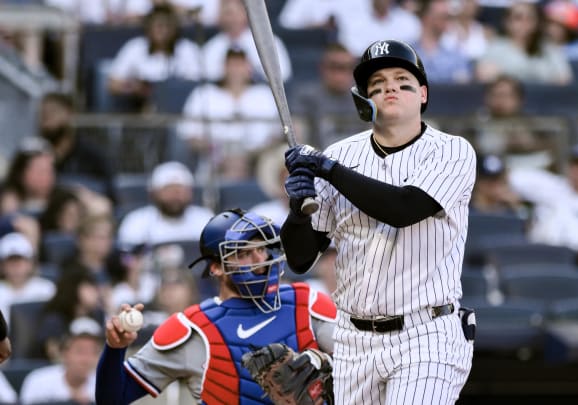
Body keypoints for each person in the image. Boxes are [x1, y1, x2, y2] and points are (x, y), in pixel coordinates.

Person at [280, 39, 475, 404]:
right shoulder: (341, 155)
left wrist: (326, 169)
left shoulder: (452, 150)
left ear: (423, 94)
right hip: (353, 339)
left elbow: (403, 208)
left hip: (426, 332)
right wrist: (297, 206)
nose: (390, 87)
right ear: (364, 100)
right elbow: (301, 257)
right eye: (378, 83)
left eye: (403, 81)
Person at [94, 209, 337, 404]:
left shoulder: (307, 303)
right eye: (243, 253)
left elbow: (363, 365)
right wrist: (115, 349)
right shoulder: (192, 328)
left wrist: (325, 367)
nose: (259, 261)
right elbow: (113, 398)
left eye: (261, 249)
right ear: (216, 268)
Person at [177, 47, 281, 181]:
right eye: (231, 64)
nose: (236, 70)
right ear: (223, 67)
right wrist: (215, 150)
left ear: (249, 68)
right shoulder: (204, 93)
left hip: (258, 158)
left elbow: (278, 133)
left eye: (240, 64)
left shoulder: (264, 94)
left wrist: (256, 153)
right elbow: (189, 134)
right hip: (214, 158)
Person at [116, 161, 214, 247]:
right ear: (153, 193)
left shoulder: (205, 219)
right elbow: (127, 258)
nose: (175, 196)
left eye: (180, 191)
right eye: (169, 190)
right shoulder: (136, 222)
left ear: (190, 193)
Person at [475, 1, 572, 85]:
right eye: (518, 18)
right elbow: (484, 75)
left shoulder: (548, 47)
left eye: (529, 18)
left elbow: (564, 79)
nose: (524, 23)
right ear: (507, 22)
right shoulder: (496, 46)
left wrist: (505, 73)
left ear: (537, 23)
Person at [19, 317, 104, 404]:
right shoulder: (38, 381)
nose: (86, 359)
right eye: (80, 351)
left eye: (94, 352)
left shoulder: (106, 385)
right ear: (64, 353)